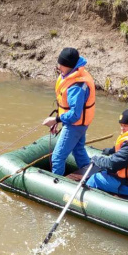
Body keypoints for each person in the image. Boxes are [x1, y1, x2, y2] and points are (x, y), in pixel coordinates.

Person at [41, 47, 96, 176]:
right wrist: (58, 120)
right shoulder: (73, 74)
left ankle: (56, 187)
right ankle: (91, 177)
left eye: (61, 64)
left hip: (75, 125)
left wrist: (56, 119)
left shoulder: (76, 87)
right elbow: (66, 105)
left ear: (69, 66)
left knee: (57, 158)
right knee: (78, 151)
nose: (58, 67)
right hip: (79, 123)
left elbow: (75, 115)